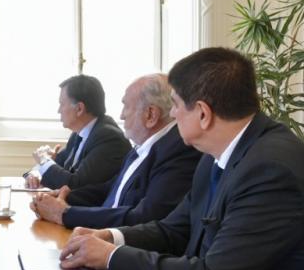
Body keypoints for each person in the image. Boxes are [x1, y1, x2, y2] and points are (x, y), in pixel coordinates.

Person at [60, 47, 304, 270]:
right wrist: (112, 237)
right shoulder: (214, 155)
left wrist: (112, 257)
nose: (172, 114)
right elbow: (174, 229)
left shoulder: (270, 169)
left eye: (176, 104)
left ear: (203, 113)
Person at [31, 74, 200, 228]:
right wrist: (63, 198)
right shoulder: (143, 147)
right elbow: (110, 189)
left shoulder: (178, 151)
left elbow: (146, 217)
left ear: (151, 115)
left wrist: (65, 214)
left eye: (126, 106)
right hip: (99, 237)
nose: (121, 115)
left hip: (120, 249)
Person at [25, 75, 130, 190]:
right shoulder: (79, 133)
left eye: (62, 104)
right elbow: (55, 163)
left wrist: (44, 160)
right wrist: (35, 173)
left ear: (79, 109)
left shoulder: (108, 138)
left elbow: (75, 185)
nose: (58, 110)